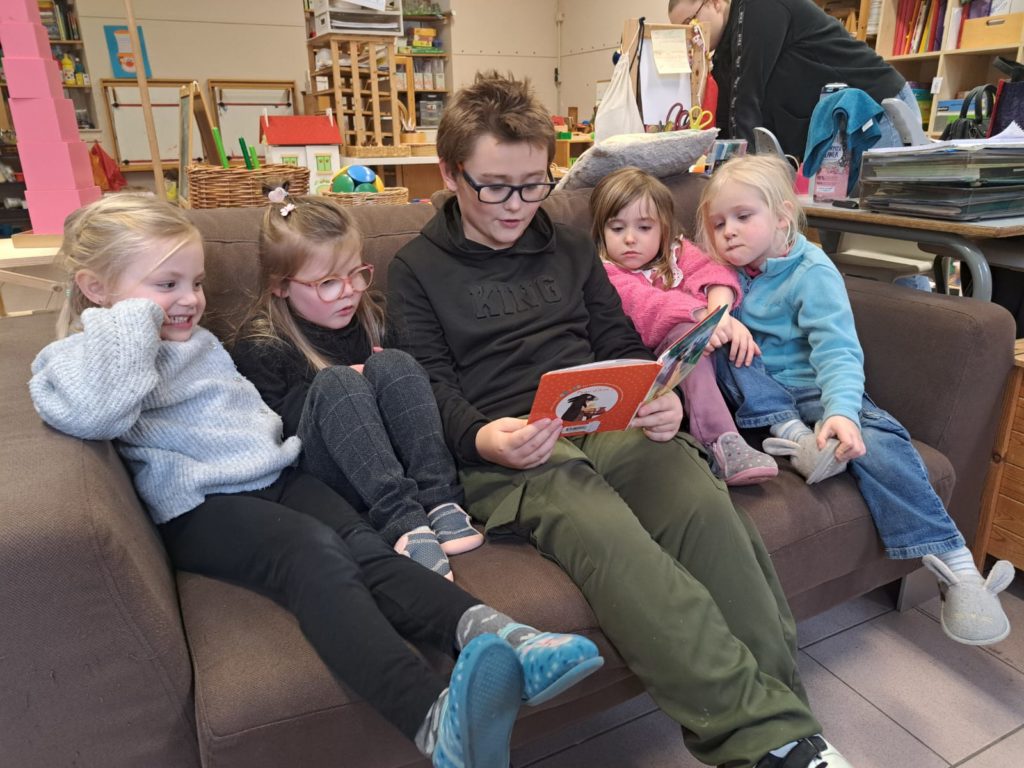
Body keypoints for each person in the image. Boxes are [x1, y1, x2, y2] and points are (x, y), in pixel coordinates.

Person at [28, 193, 604, 768]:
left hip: (275, 474)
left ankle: (508, 639)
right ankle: (432, 719)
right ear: (95, 287)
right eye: (167, 284)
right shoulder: (77, 357)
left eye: (196, 283)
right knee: (311, 552)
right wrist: (129, 322)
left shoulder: (198, 342)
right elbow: (96, 413)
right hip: (199, 506)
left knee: (369, 549)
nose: (190, 300)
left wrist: (154, 307)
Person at [388, 71, 855, 768]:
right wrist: (482, 436)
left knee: (700, 505)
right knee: (610, 539)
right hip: (511, 445)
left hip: (605, 416)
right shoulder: (416, 269)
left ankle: (790, 727)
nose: (516, 206)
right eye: (495, 187)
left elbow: (617, 341)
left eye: (533, 185)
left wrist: (655, 394)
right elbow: (424, 385)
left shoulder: (570, 245)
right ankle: (765, 744)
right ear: (452, 174)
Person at [697, 155, 1015, 646]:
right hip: (755, 397)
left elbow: (838, 351)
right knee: (717, 347)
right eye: (718, 224)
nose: (729, 233)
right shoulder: (720, 271)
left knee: (875, 441)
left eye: (743, 217)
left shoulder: (812, 271)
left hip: (814, 388)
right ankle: (795, 437)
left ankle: (959, 570)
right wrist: (718, 315)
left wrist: (841, 412)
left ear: (782, 216)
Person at [231, 193, 482, 581]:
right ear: (281, 285)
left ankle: (440, 500)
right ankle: (403, 521)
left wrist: (377, 377)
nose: (349, 290)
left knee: (395, 362)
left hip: (396, 460)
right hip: (326, 475)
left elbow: (413, 403)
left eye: (357, 273)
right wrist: (351, 383)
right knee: (338, 381)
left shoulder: (376, 317)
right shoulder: (262, 343)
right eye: (329, 282)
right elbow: (273, 437)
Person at [590, 166, 777, 485]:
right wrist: (702, 319)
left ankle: (781, 420)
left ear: (664, 229)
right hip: (656, 367)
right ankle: (719, 441)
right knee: (688, 337)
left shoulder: (676, 251)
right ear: (600, 232)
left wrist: (721, 317)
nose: (630, 238)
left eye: (644, 227)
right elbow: (646, 305)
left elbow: (715, 273)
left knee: (736, 337)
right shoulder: (603, 271)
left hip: (703, 349)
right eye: (617, 228)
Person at [667, 0, 920, 157]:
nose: (690, 36)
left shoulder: (758, 7)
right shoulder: (725, 51)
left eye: (691, 22)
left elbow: (746, 99)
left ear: (714, 2)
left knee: (871, 219)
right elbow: (726, 118)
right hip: (839, 125)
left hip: (876, 108)